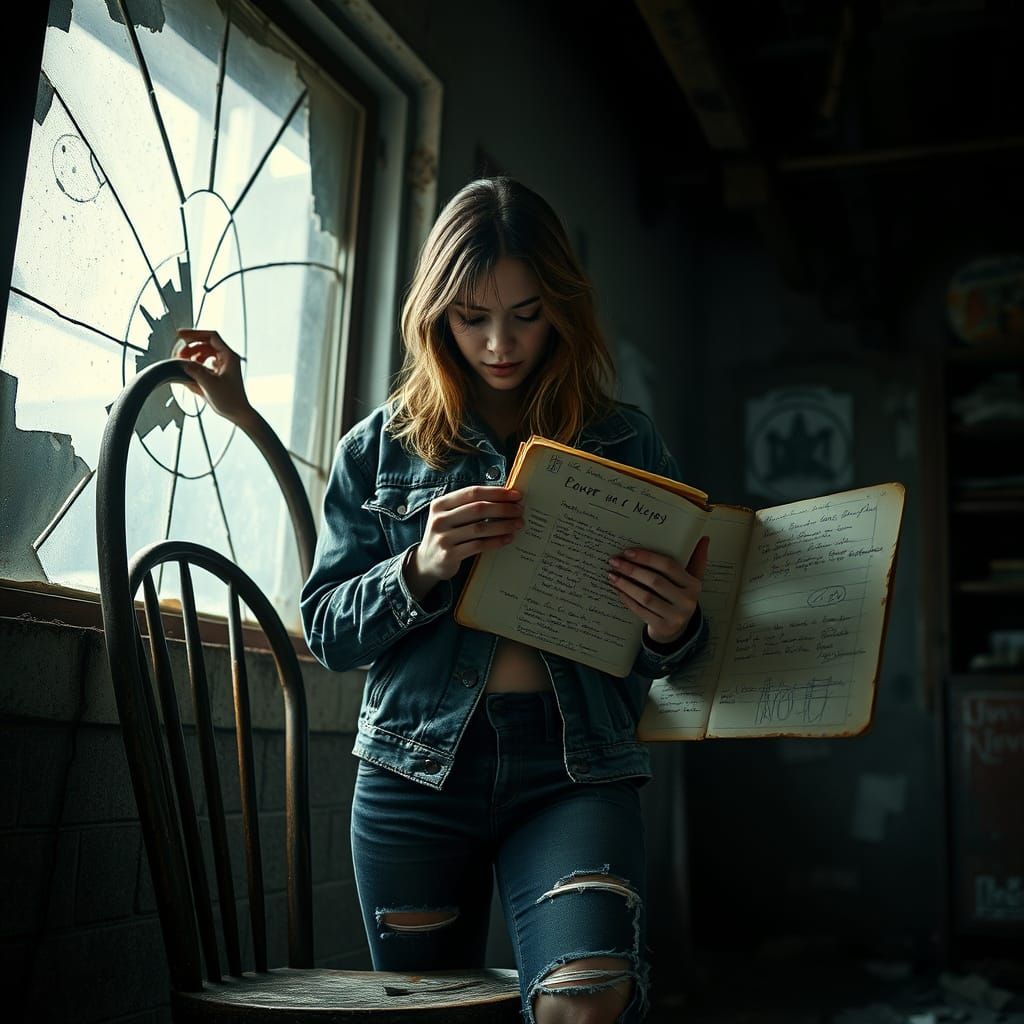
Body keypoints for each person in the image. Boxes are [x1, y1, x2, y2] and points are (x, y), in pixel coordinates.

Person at [176, 176, 709, 1024]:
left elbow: (678, 657)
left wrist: (674, 626)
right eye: (471, 317)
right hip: (413, 774)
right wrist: (420, 566)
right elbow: (328, 631)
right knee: (427, 1016)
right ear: (436, 315)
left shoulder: (625, 440)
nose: (500, 342)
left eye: (526, 314)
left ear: (561, 306)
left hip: (575, 769)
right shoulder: (379, 447)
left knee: (587, 1002)